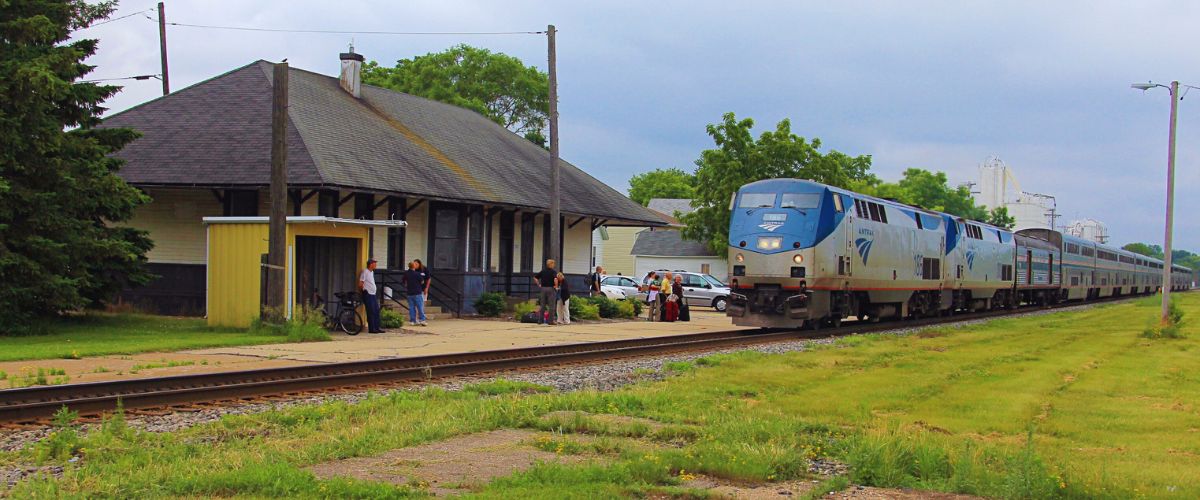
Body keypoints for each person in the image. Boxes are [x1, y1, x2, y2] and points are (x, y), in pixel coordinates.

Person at [358, 258, 383, 334]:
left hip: (373, 294)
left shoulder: (372, 272)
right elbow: (360, 283)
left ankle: (377, 327)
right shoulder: (365, 272)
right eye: (374, 263)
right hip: (368, 294)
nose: (375, 265)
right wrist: (363, 291)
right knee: (371, 311)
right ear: (371, 264)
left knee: (376, 310)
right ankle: (372, 328)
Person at [401, 260, 428, 326]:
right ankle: (422, 320)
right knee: (420, 307)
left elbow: (404, 281)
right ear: (414, 266)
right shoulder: (417, 274)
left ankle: (413, 321)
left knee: (411, 307)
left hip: (409, 292)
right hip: (417, 292)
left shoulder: (406, 274)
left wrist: (407, 285)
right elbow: (422, 282)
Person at [536, 259, 559, 325]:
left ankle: (540, 320)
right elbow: (555, 279)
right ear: (551, 264)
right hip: (551, 288)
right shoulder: (553, 272)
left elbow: (535, 278)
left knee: (542, 305)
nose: (554, 265)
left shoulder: (543, 271)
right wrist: (556, 286)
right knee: (551, 305)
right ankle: (550, 321)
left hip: (543, 289)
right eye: (553, 264)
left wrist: (539, 284)